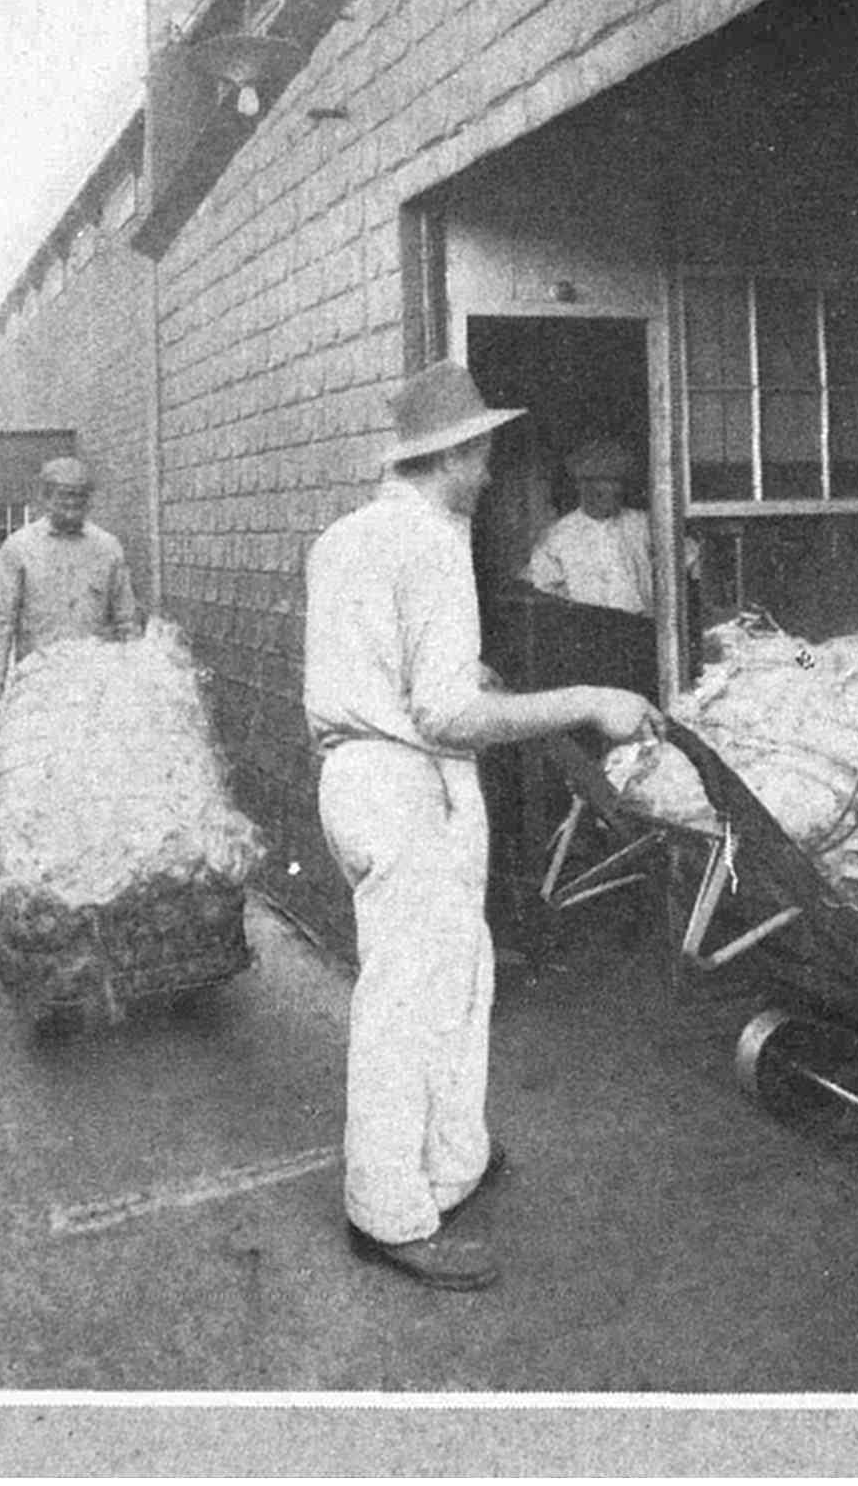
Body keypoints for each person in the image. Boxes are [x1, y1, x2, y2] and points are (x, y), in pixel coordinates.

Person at [304, 361, 661, 1292]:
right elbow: (446, 714)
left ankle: (453, 1160)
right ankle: (387, 1213)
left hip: (356, 773)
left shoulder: (345, 537)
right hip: (407, 783)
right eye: (484, 453)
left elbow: (391, 669)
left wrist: (476, 680)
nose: (492, 470)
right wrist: (589, 698)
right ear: (450, 455)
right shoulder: (430, 543)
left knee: (457, 976)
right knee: (408, 1000)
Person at [0, 457, 142, 703]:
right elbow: (1, 619)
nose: (72, 502)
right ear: (46, 497)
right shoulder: (18, 548)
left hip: (96, 684)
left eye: (80, 495)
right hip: (37, 684)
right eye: (65, 494)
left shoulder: (108, 548)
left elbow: (127, 620)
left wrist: (138, 680)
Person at [524, 437, 655, 613]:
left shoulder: (642, 523)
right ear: (583, 486)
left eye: (617, 482)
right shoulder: (558, 535)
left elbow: (684, 554)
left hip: (645, 622)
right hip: (590, 625)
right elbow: (544, 589)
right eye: (604, 483)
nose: (614, 490)